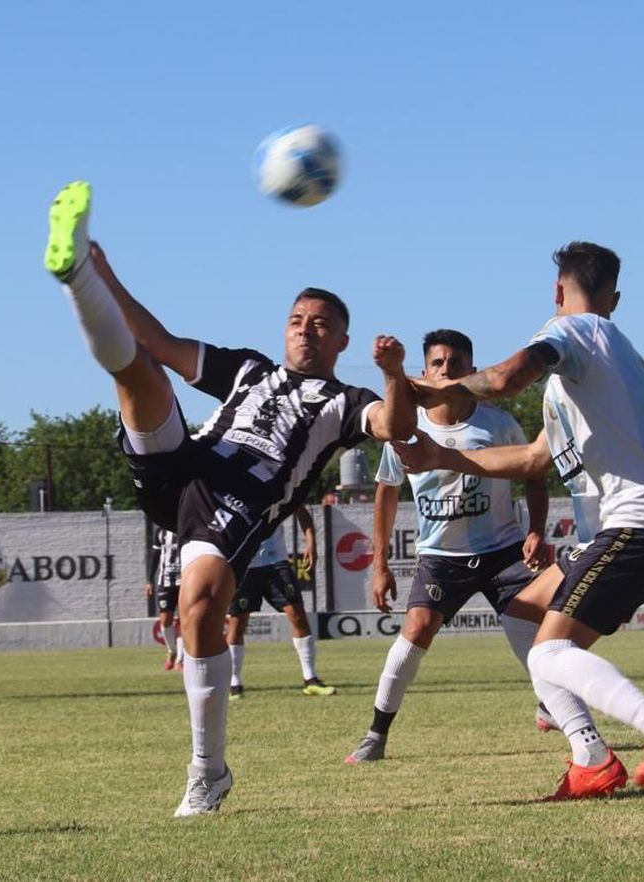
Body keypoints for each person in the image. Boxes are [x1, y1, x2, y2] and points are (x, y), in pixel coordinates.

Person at [43, 181, 417, 816]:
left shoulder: (344, 401)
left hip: (241, 499)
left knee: (199, 609)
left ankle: (208, 772)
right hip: (187, 465)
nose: (306, 331)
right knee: (140, 372)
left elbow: (397, 426)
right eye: (297, 321)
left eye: (321, 325)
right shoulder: (248, 369)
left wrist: (394, 373)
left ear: (341, 342)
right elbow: (159, 340)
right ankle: (77, 274)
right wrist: (105, 274)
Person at [399, 241, 644, 799]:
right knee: (522, 613)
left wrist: (436, 388)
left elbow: (505, 378)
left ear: (557, 291)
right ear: (615, 297)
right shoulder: (599, 371)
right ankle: (591, 759)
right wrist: (441, 456)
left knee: (548, 651)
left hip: (636, 528)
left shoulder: (577, 330)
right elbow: (532, 460)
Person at [346, 328, 586, 765]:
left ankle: (560, 715)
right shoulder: (405, 427)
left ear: (471, 371)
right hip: (441, 557)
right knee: (416, 630)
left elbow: (533, 476)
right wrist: (379, 564)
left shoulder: (497, 423)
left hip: (503, 551)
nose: (446, 370)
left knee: (539, 632)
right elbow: (387, 493)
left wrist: (536, 530)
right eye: (437, 363)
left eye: (455, 363)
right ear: (424, 372)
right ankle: (375, 734)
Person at [227, 504, 335, 697]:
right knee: (238, 622)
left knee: (298, 615)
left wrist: (311, 542)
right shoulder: (235, 492)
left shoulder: (278, 487)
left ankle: (310, 679)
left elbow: (301, 511)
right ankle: (234, 684)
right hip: (245, 564)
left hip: (276, 561)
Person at [147, 526, 182, 670]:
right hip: (165, 581)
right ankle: (172, 651)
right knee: (165, 619)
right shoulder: (160, 530)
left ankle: (180, 659)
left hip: (186, 580)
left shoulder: (188, 526)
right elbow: (155, 555)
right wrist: (149, 580)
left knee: (184, 620)